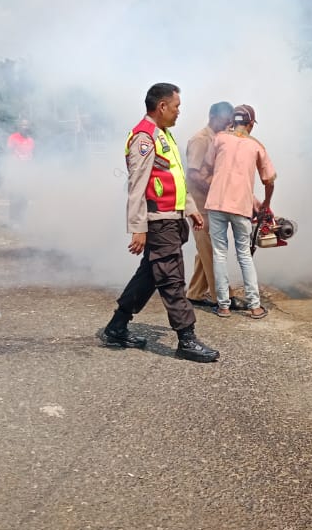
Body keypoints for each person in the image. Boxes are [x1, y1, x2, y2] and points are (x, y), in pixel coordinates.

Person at [103, 82, 218, 362]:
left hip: (171, 218)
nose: (179, 112)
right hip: (158, 222)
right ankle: (186, 339)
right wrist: (138, 228)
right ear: (162, 106)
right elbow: (137, 186)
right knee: (171, 278)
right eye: (176, 106)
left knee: (150, 276)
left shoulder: (163, 135)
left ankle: (117, 327)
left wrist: (190, 209)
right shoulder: (144, 138)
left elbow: (176, 179)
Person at [200, 104, 276, 320]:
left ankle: (223, 306)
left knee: (219, 254)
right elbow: (269, 180)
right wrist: (265, 204)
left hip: (216, 204)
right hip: (241, 207)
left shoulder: (219, 139)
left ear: (233, 121)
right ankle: (255, 307)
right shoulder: (256, 146)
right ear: (251, 123)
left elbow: (207, 167)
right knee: (244, 255)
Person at [185, 101, 233, 306]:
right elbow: (194, 174)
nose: (227, 124)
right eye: (224, 120)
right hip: (200, 205)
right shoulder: (200, 139)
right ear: (213, 116)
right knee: (212, 250)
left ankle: (195, 293)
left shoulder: (219, 139)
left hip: (211, 204)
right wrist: (217, 192)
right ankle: (221, 296)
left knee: (205, 250)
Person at [5, 119, 34, 224]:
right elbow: (8, 152)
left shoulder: (31, 140)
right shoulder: (13, 137)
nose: (24, 127)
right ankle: (13, 219)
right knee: (14, 196)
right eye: (22, 125)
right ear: (19, 126)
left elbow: (31, 155)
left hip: (26, 172)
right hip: (15, 170)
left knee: (24, 196)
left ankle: (22, 218)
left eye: (26, 125)